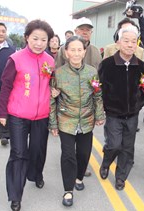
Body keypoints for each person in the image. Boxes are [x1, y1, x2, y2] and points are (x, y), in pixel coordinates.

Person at [0, 19, 54, 211]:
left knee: (38, 150)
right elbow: (5, 86)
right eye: (35, 38)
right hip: (18, 115)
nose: (39, 43)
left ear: (49, 41)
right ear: (27, 38)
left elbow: (52, 85)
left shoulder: (50, 61)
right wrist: (2, 112)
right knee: (19, 153)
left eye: (43, 40)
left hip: (42, 115)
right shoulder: (16, 59)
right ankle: (15, 195)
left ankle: (36, 174)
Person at [49, 36, 105, 206]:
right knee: (68, 156)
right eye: (72, 49)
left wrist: (100, 114)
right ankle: (68, 190)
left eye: (79, 50)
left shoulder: (91, 72)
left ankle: (79, 177)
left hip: (87, 120)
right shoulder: (58, 73)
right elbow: (52, 100)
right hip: (66, 120)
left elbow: (97, 94)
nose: (76, 53)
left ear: (84, 52)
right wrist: (53, 123)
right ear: (66, 53)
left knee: (83, 153)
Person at [98, 25, 144, 190]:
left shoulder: (140, 66)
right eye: (126, 41)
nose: (130, 45)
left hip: (132, 115)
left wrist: (139, 104)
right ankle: (106, 163)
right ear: (118, 43)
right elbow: (99, 88)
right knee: (114, 145)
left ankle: (121, 176)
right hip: (113, 114)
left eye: (134, 41)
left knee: (127, 148)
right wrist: (103, 108)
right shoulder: (107, 65)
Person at [55, 17, 102, 177]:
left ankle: (80, 167)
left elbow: (97, 83)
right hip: (68, 106)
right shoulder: (64, 49)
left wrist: (99, 111)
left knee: (83, 148)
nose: (85, 32)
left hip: (87, 106)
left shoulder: (95, 51)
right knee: (69, 148)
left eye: (88, 30)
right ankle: (70, 167)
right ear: (75, 31)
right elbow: (57, 73)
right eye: (81, 29)